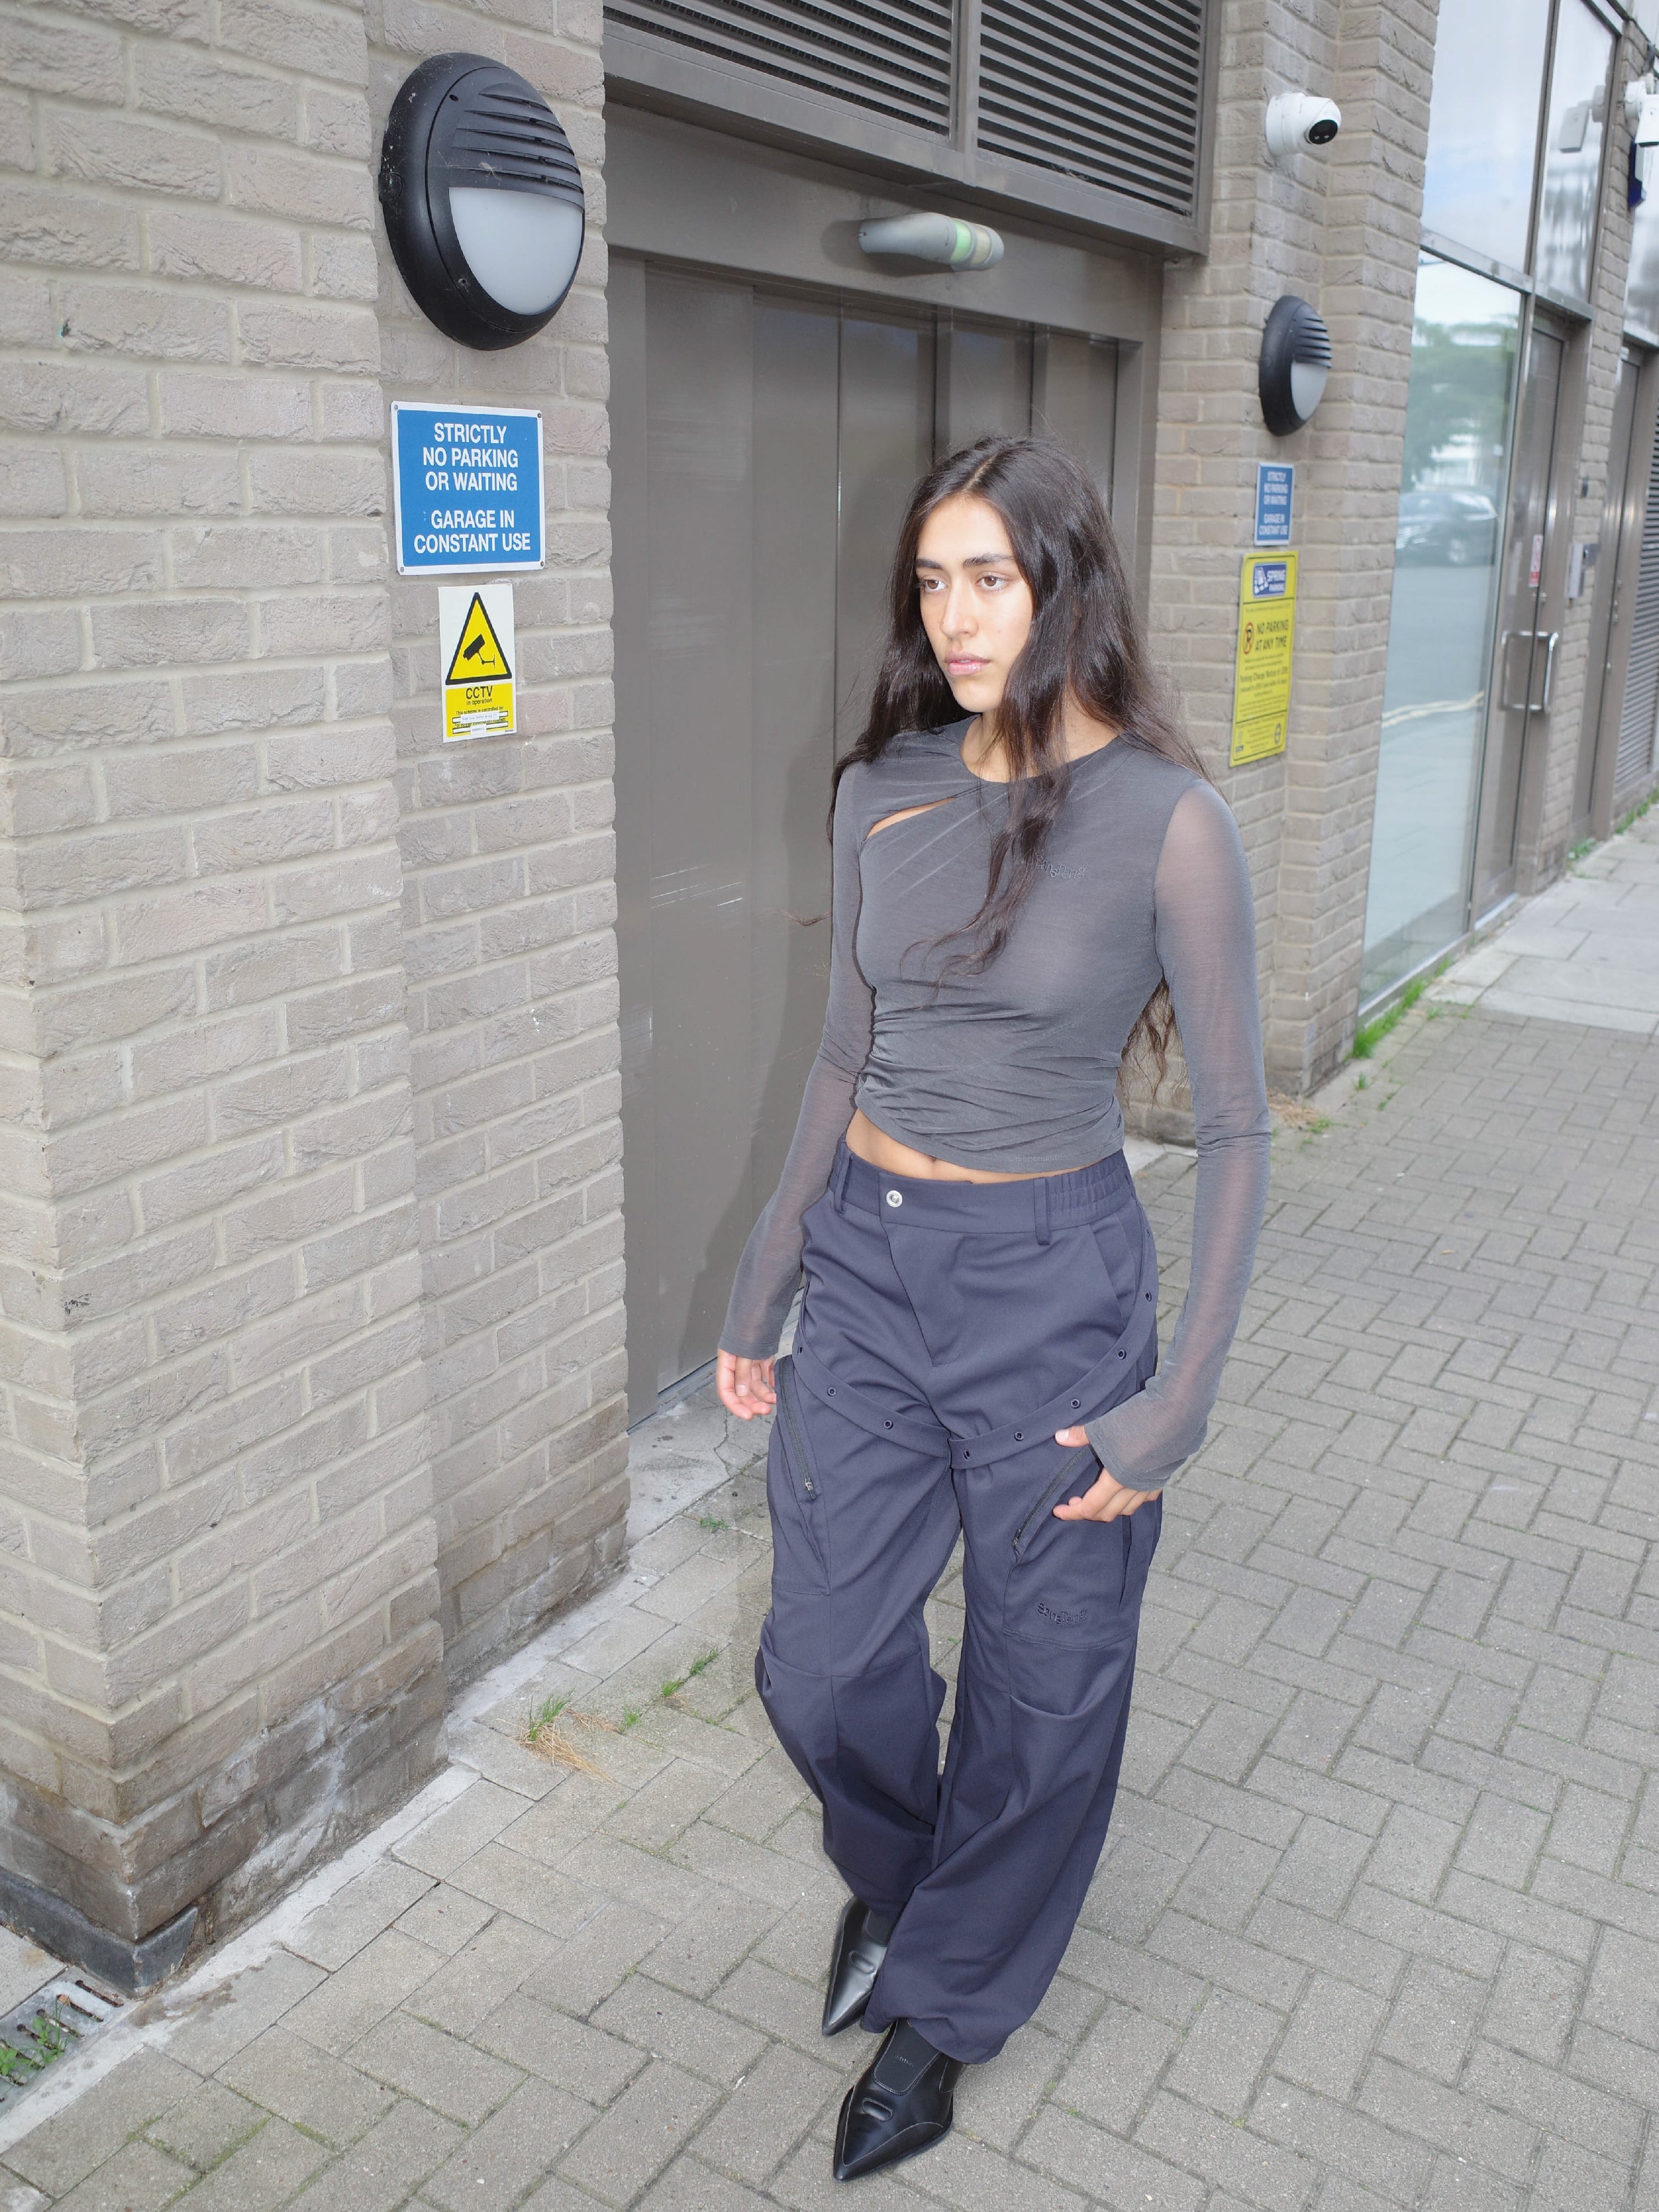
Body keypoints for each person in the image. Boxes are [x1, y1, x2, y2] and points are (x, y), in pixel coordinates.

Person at [716, 436, 1270, 2184]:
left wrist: (1178, 1405)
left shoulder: (1171, 824)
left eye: (992, 580)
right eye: (933, 581)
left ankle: (948, 2004)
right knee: (821, 1665)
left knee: (1046, 1691)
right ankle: (909, 1880)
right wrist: (765, 1278)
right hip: (870, 1274)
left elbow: (1241, 1128)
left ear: (1065, 588)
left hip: (1053, 1287)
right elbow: (840, 1049)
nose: (956, 618)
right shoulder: (881, 786)